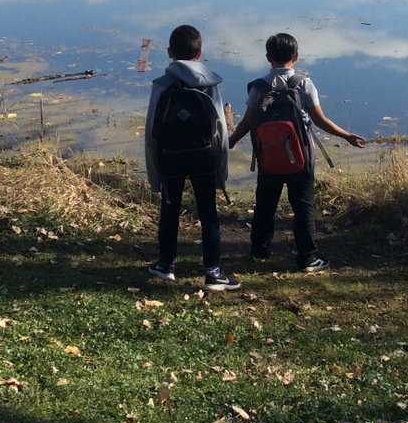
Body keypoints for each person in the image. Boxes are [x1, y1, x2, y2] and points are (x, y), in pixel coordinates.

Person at [228, 32, 367, 272]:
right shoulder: (304, 84)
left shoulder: (259, 86)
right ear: (296, 56)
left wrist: (230, 141)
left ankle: (260, 252)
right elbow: (320, 121)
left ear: (268, 57)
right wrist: (347, 136)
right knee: (303, 205)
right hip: (301, 158)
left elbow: (248, 122)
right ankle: (308, 258)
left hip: (268, 157)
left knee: (265, 204)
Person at [144, 24, 240, 291]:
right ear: (200, 53)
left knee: (169, 210)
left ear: (169, 52)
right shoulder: (210, 83)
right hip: (204, 157)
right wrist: (221, 170)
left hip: (170, 156)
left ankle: (165, 265)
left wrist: (155, 174)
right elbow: (219, 128)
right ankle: (213, 272)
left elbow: (152, 131)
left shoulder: (161, 85)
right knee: (208, 212)